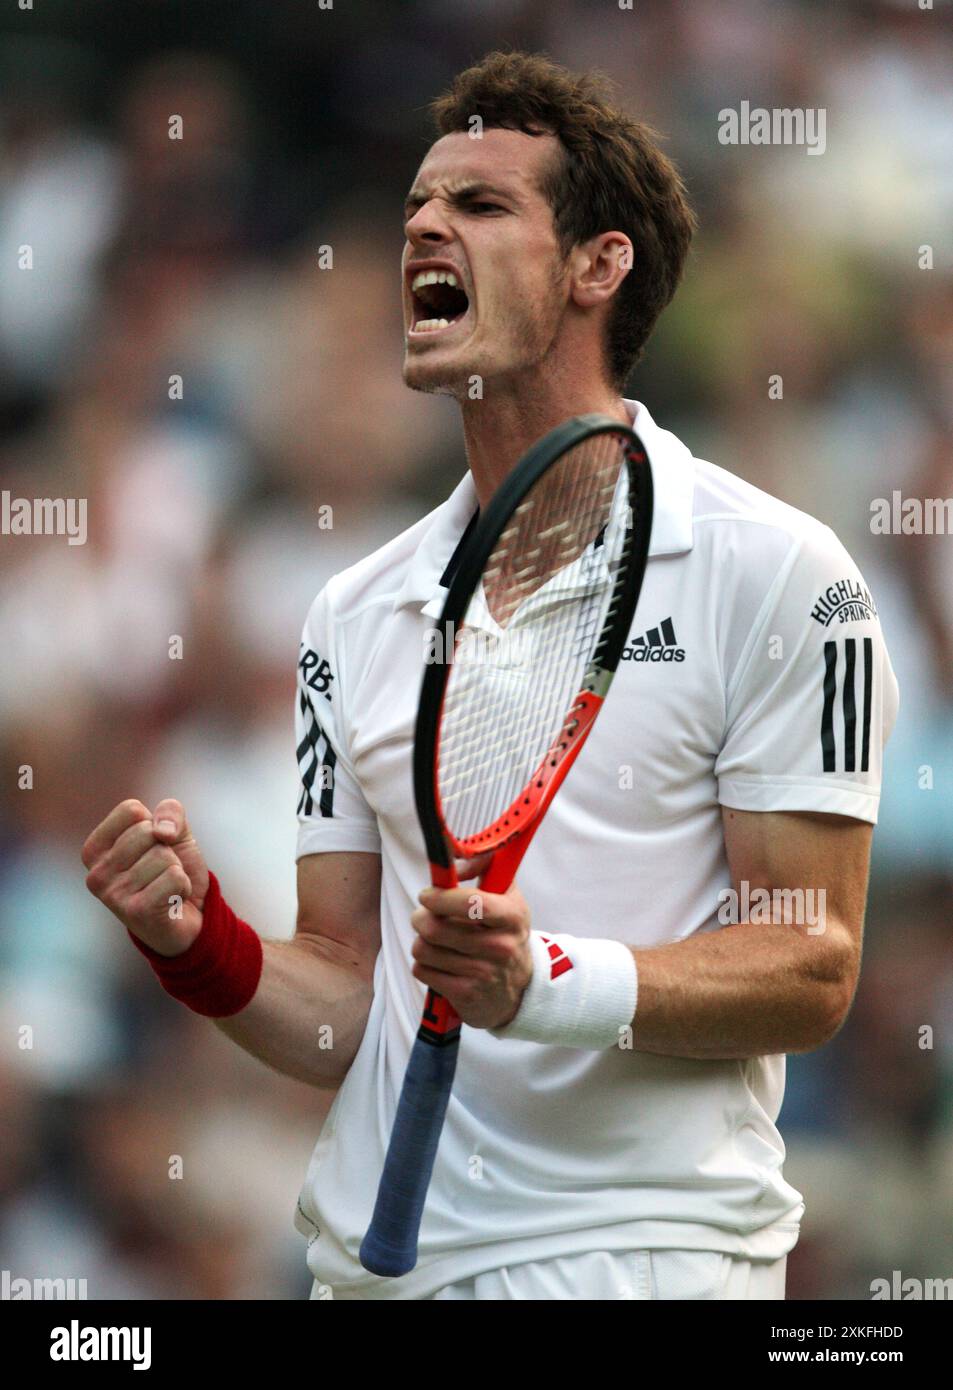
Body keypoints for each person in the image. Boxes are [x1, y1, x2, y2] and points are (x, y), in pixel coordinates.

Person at [82, 52, 899, 1301]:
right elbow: (347, 1010)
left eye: (478, 203)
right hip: (369, 1269)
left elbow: (812, 960)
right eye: (416, 202)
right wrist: (203, 944)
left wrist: (548, 982)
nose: (420, 222)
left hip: (639, 1264)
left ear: (596, 265)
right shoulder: (350, 614)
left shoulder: (782, 573)